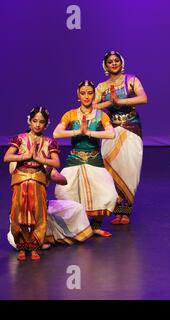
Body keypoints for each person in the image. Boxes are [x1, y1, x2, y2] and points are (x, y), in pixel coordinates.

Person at [53, 80, 117, 237]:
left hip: (94, 160)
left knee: (108, 195)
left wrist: (88, 132)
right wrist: (78, 132)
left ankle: (95, 226)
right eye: (83, 93)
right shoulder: (71, 114)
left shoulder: (101, 115)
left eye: (89, 93)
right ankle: (79, 226)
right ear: (78, 95)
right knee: (64, 192)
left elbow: (111, 134)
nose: (86, 96)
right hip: (74, 159)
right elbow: (56, 133)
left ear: (94, 95)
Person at [94, 51, 148, 225]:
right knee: (111, 169)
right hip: (112, 130)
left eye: (117, 60)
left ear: (121, 63)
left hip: (131, 128)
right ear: (106, 66)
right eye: (110, 62)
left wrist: (121, 102)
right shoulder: (101, 87)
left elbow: (143, 98)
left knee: (129, 169)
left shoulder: (131, 80)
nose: (114, 63)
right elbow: (93, 106)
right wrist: (110, 103)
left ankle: (127, 211)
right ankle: (118, 211)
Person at [3, 107, 60, 261]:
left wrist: (39, 159)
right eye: (35, 121)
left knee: (39, 214)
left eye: (41, 122)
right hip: (20, 178)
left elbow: (56, 162)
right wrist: (25, 156)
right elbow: (7, 157)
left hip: (38, 179)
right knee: (18, 213)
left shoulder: (49, 142)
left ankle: (34, 246)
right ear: (29, 121)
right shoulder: (19, 138)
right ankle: (22, 246)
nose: (37, 125)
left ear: (46, 124)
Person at [7, 168, 93, 249]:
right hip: (23, 209)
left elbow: (63, 181)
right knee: (16, 241)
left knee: (76, 208)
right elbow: (12, 171)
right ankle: (36, 242)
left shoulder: (44, 164)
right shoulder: (17, 162)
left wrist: (48, 170)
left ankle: (43, 239)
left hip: (43, 205)